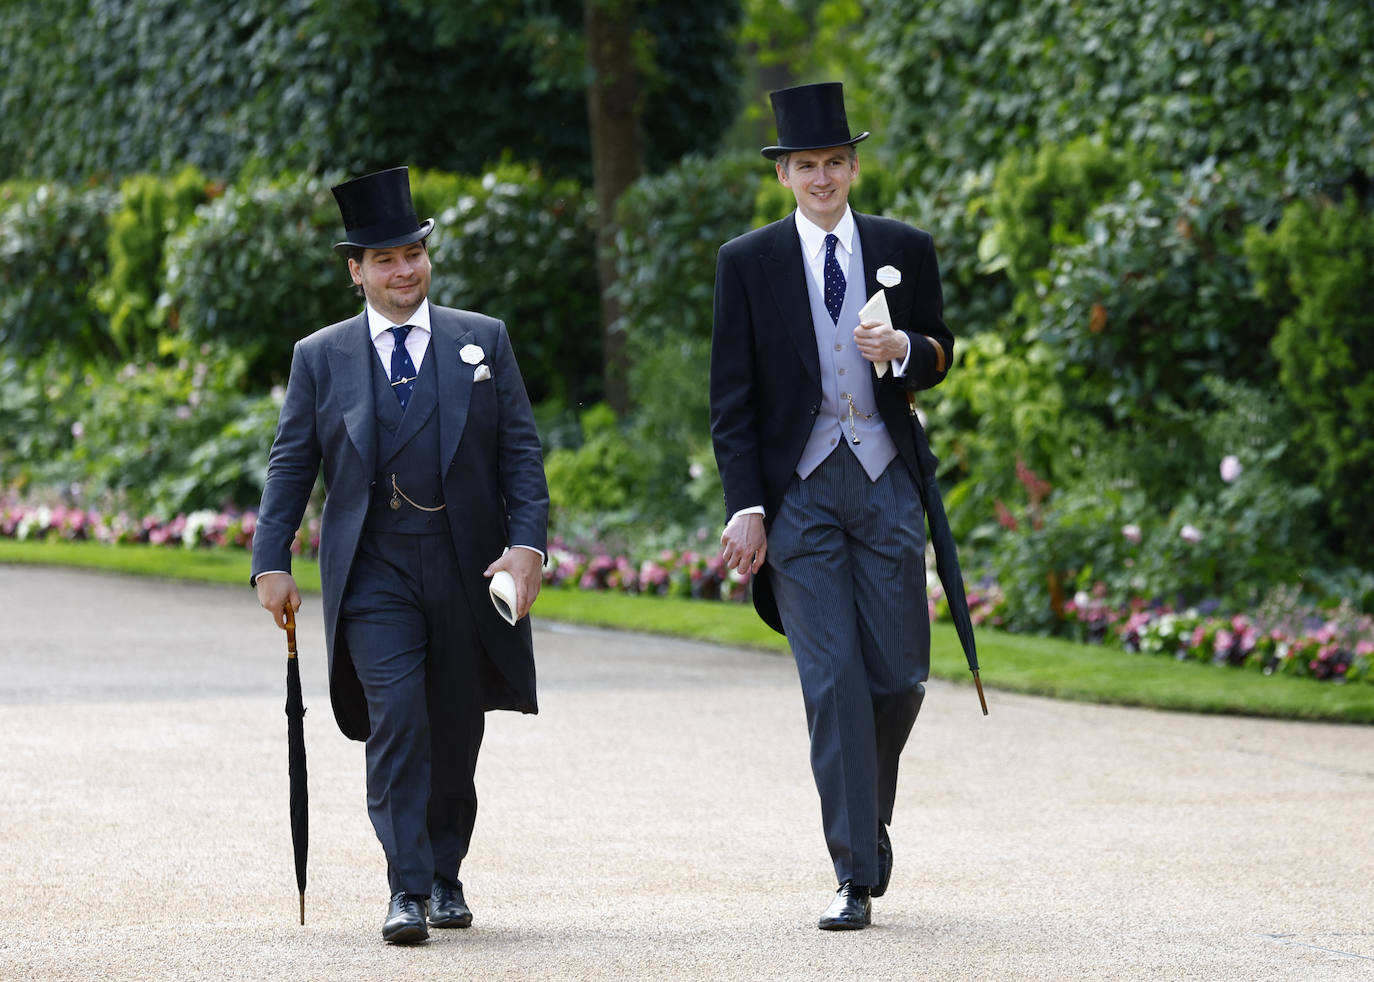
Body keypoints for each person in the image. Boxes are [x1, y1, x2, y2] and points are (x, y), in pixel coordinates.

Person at [251, 166, 549, 945]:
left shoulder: (482, 341)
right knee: (399, 723)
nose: (404, 269)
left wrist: (527, 547)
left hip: (466, 566)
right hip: (373, 572)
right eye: (384, 259)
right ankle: (406, 888)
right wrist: (269, 557)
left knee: (455, 727)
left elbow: (521, 452)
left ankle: (447, 871)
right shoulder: (320, 357)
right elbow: (291, 462)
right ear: (356, 271)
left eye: (413, 252)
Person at [709, 83, 954, 931]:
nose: (822, 177)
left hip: (886, 483)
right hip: (800, 495)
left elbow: (940, 352)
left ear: (854, 166)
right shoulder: (746, 262)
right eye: (805, 165)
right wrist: (747, 505)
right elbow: (731, 401)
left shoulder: (903, 247)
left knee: (899, 676)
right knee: (834, 680)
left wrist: (906, 350)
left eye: (834, 162)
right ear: (784, 175)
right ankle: (854, 869)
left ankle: (866, 820)